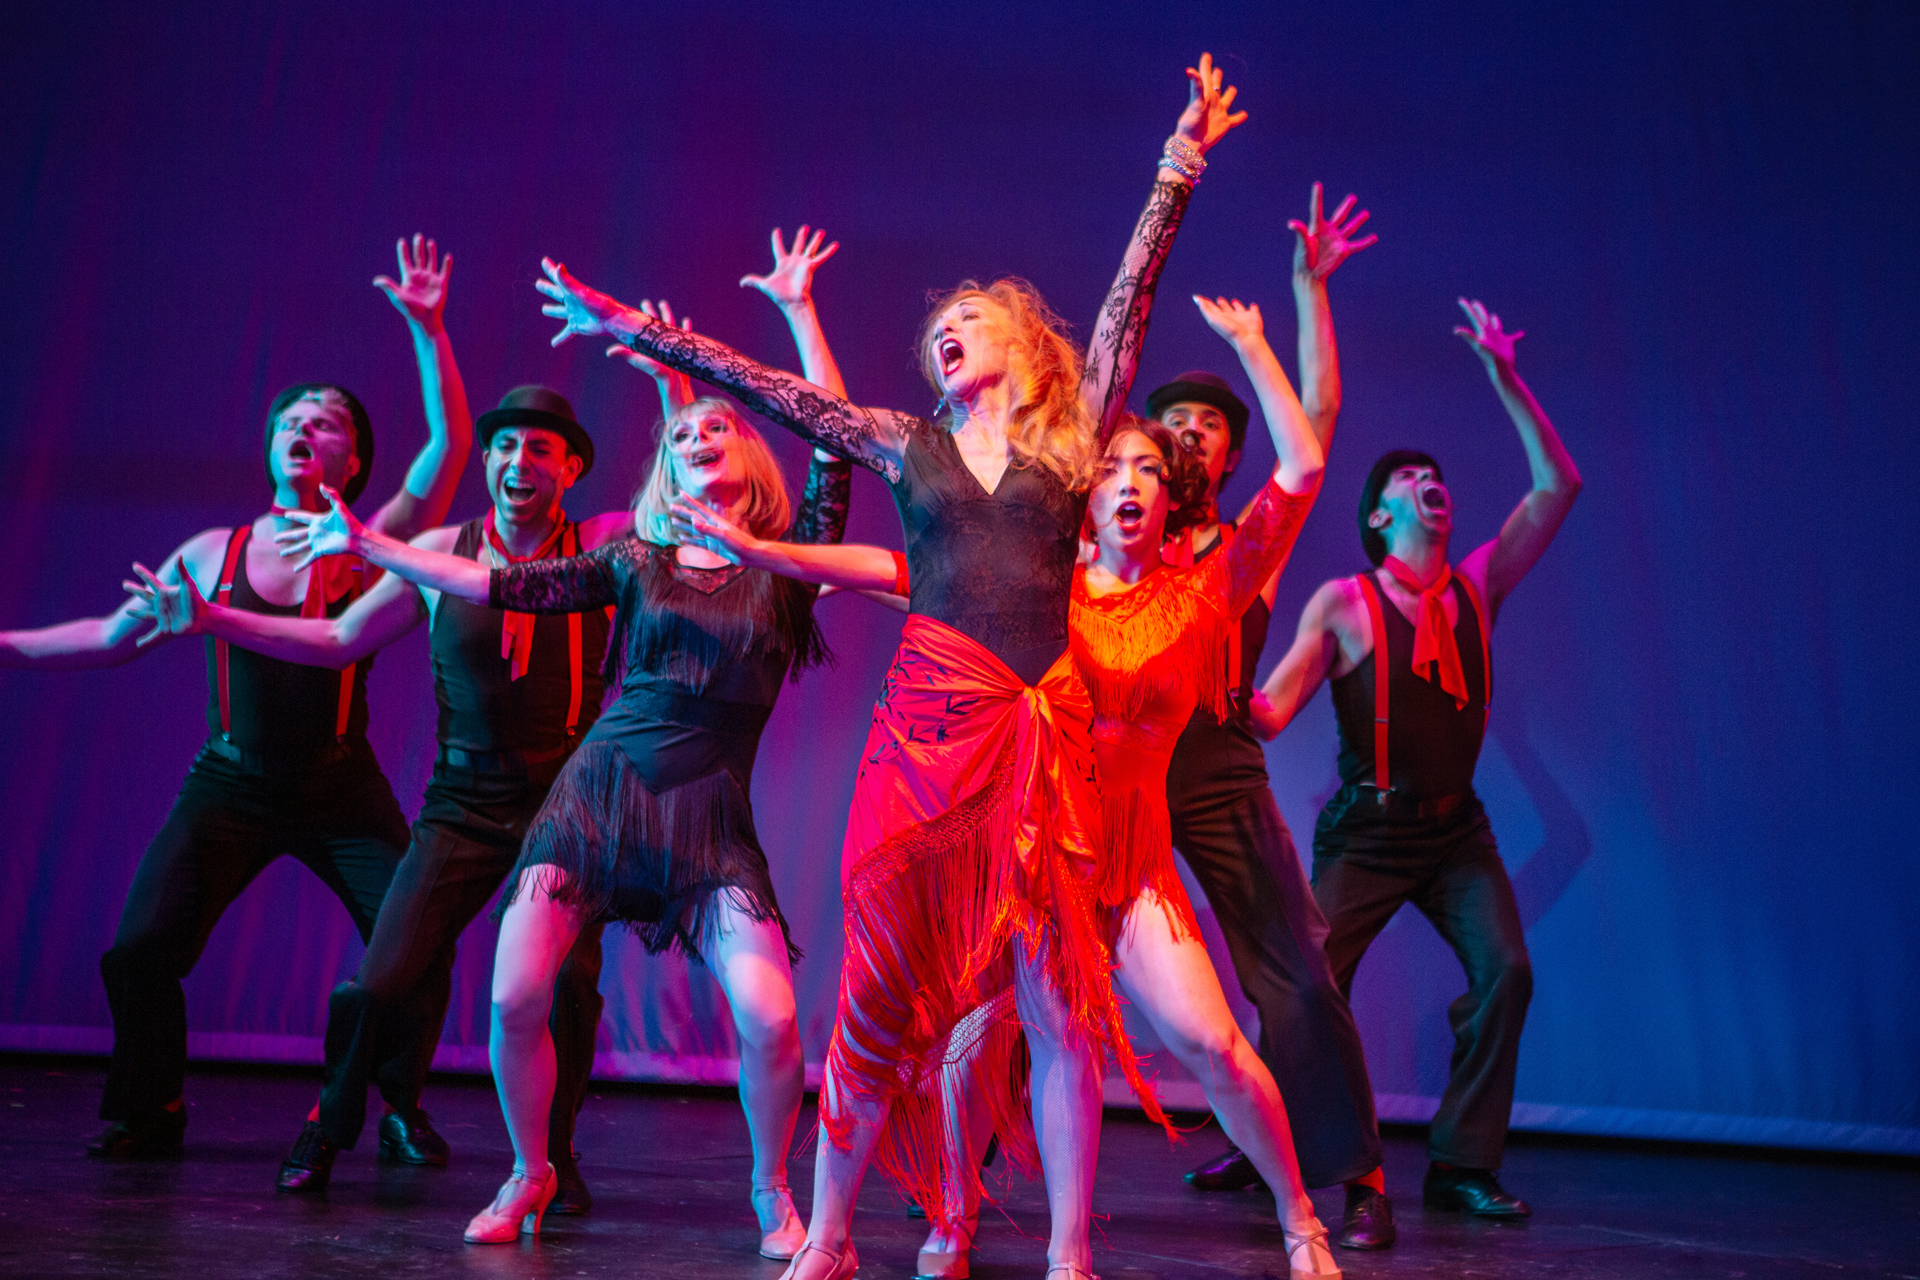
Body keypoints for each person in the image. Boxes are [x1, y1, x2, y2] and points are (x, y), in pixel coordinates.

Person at [536, 54, 1245, 1280]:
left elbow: (1130, 299)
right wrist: (639, 330)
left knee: (1056, 1000)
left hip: (1042, 742)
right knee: (877, 987)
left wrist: (1176, 166)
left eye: (965, 320)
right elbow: (772, 389)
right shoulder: (905, 440)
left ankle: (1069, 1250)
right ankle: (829, 1232)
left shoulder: (1073, 440)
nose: (944, 336)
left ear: (1025, 343)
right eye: (933, 334)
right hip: (928, 732)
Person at [672, 370, 1340, 1280]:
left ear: (1172, 497)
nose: (1130, 484)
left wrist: (1256, 346)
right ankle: (953, 1219)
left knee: (1213, 1042)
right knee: (972, 1044)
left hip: (1128, 864)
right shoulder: (1036, 588)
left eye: (1149, 470)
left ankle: (1299, 1214)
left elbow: (1302, 471)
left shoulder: (1203, 593)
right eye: (1111, 469)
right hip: (1026, 852)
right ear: (1079, 495)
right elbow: (903, 569)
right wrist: (768, 555)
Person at [271, 381, 851, 1250]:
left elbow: (834, 442)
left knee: (770, 1020)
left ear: (752, 454)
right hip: (595, 800)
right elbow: (493, 582)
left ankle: (771, 1190)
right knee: (515, 997)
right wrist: (369, 545)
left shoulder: (789, 571)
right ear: (667, 468)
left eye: (717, 425)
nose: (697, 436)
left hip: (708, 822)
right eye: (681, 434)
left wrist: (798, 317)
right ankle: (529, 1170)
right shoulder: (636, 559)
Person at [0, 236, 472, 1160]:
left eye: (326, 421)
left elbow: (450, 447)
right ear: (270, 448)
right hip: (230, 783)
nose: (305, 428)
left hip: (339, 786)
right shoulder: (212, 552)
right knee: (139, 951)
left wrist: (429, 332)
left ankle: (398, 1106)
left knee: (414, 940)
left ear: (352, 458)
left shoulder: (370, 540)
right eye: (292, 419)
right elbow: (109, 637)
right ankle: (152, 1106)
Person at [128, 384, 639, 1202]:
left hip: (565, 804)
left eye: (541, 449)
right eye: (506, 446)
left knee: (571, 983)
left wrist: (669, 379)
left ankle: (555, 1156)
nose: (519, 462)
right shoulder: (440, 549)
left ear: (571, 469)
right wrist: (214, 619)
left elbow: (676, 505)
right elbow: (338, 637)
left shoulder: (603, 544)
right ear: (490, 462)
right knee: (382, 979)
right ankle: (327, 1125)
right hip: (462, 804)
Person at [1250, 298, 1582, 1219]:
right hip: (1366, 833)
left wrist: (1505, 377)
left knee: (1507, 974)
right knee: (1308, 985)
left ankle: (1461, 1164)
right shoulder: (1345, 602)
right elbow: (1271, 711)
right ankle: (1265, 1137)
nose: (1429, 479)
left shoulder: (1477, 585)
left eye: (1434, 475)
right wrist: (1210, 686)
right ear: (1379, 514)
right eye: (1408, 476)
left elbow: (1558, 485)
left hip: (1455, 835)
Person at [1161, 187, 1396, 1251]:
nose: (1188, 434)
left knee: (1295, 970)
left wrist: (1305, 294)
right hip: (1112, 763)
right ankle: (964, 1161)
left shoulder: (1247, 546)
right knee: (1035, 955)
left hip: (1215, 766)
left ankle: (1353, 1174)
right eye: (1172, 422)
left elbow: (1321, 423)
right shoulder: (1105, 530)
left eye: (1209, 425)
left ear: (1230, 456)